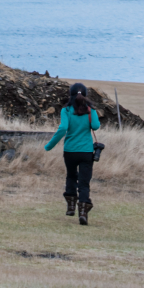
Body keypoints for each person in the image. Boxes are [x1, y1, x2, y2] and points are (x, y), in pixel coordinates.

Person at [43, 82, 102, 225]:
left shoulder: (66, 110)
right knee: (84, 182)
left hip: (70, 150)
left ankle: (70, 206)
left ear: (71, 94)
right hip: (86, 151)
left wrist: (49, 146)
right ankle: (82, 211)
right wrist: (91, 113)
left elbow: (63, 128)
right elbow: (95, 126)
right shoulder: (90, 110)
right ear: (86, 95)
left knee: (71, 176)